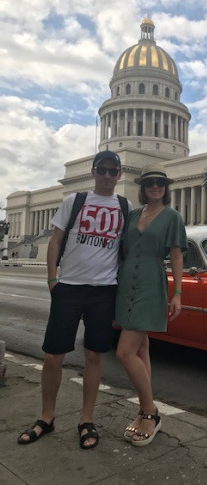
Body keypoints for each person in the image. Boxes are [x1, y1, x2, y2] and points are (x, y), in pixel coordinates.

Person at [18, 150, 130, 450]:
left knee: (94, 356)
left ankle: (86, 419)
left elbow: (131, 246)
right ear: (93, 172)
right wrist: (52, 279)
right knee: (53, 355)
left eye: (113, 171)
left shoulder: (125, 206)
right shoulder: (75, 201)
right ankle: (46, 417)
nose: (107, 175)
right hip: (69, 286)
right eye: (102, 169)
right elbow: (56, 240)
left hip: (104, 289)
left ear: (120, 174)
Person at [115, 163, 187, 447]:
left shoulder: (172, 217)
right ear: (143, 188)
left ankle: (150, 412)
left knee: (124, 352)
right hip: (125, 284)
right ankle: (145, 410)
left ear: (165, 188)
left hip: (150, 284)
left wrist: (178, 293)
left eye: (159, 183)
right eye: (149, 183)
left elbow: (177, 256)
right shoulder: (133, 215)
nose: (155, 187)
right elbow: (121, 250)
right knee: (141, 348)